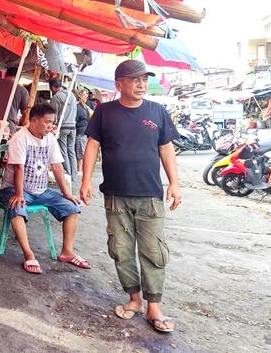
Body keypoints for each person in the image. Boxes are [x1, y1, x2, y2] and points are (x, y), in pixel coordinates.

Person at [80, 59, 181, 334]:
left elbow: (166, 149)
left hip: (149, 195)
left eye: (144, 79)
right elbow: (92, 146)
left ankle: (154, 306)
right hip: (115, 195)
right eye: (135, 79)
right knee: (121, 250)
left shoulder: (157, 111)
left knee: (153, 252)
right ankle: (134, 299)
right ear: (119, 84)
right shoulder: (104, 112)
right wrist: (86, 180)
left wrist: (174, 183)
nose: (141, 84)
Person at [0, 102, 90, 275]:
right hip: (14, 188)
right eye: (47, 122)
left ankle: (67, 251)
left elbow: (57, 167)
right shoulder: (20, 137)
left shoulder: (50, 139)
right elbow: (19, 168)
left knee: (72, 208)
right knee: (17, 207)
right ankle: (28, 254)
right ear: (34, 120)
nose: (50, 126)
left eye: (52, 122)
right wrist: (18, 193)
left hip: (41, 190)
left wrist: (66, 193)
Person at [49, 78, 77, 178]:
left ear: (52, 87)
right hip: (73, 126)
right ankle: (74, 175)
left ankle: (68, 174)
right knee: (71, 150)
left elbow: (53, 115)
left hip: (63, 127)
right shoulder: (72, 95)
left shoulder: (56, 97)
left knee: (63, 150)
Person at [0, 67, 29, 131]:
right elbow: (25, 113)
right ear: (19, 77)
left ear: (5, 75)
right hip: (8, 128)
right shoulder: (22, 90)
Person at [75, 89, 91, 178]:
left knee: (80, 152)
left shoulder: (79, 107)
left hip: (81, 132)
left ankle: (79, 170)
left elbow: (76, 120)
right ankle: (80, 169)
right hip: (85, 131)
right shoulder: (86, 106)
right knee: (82, 151)